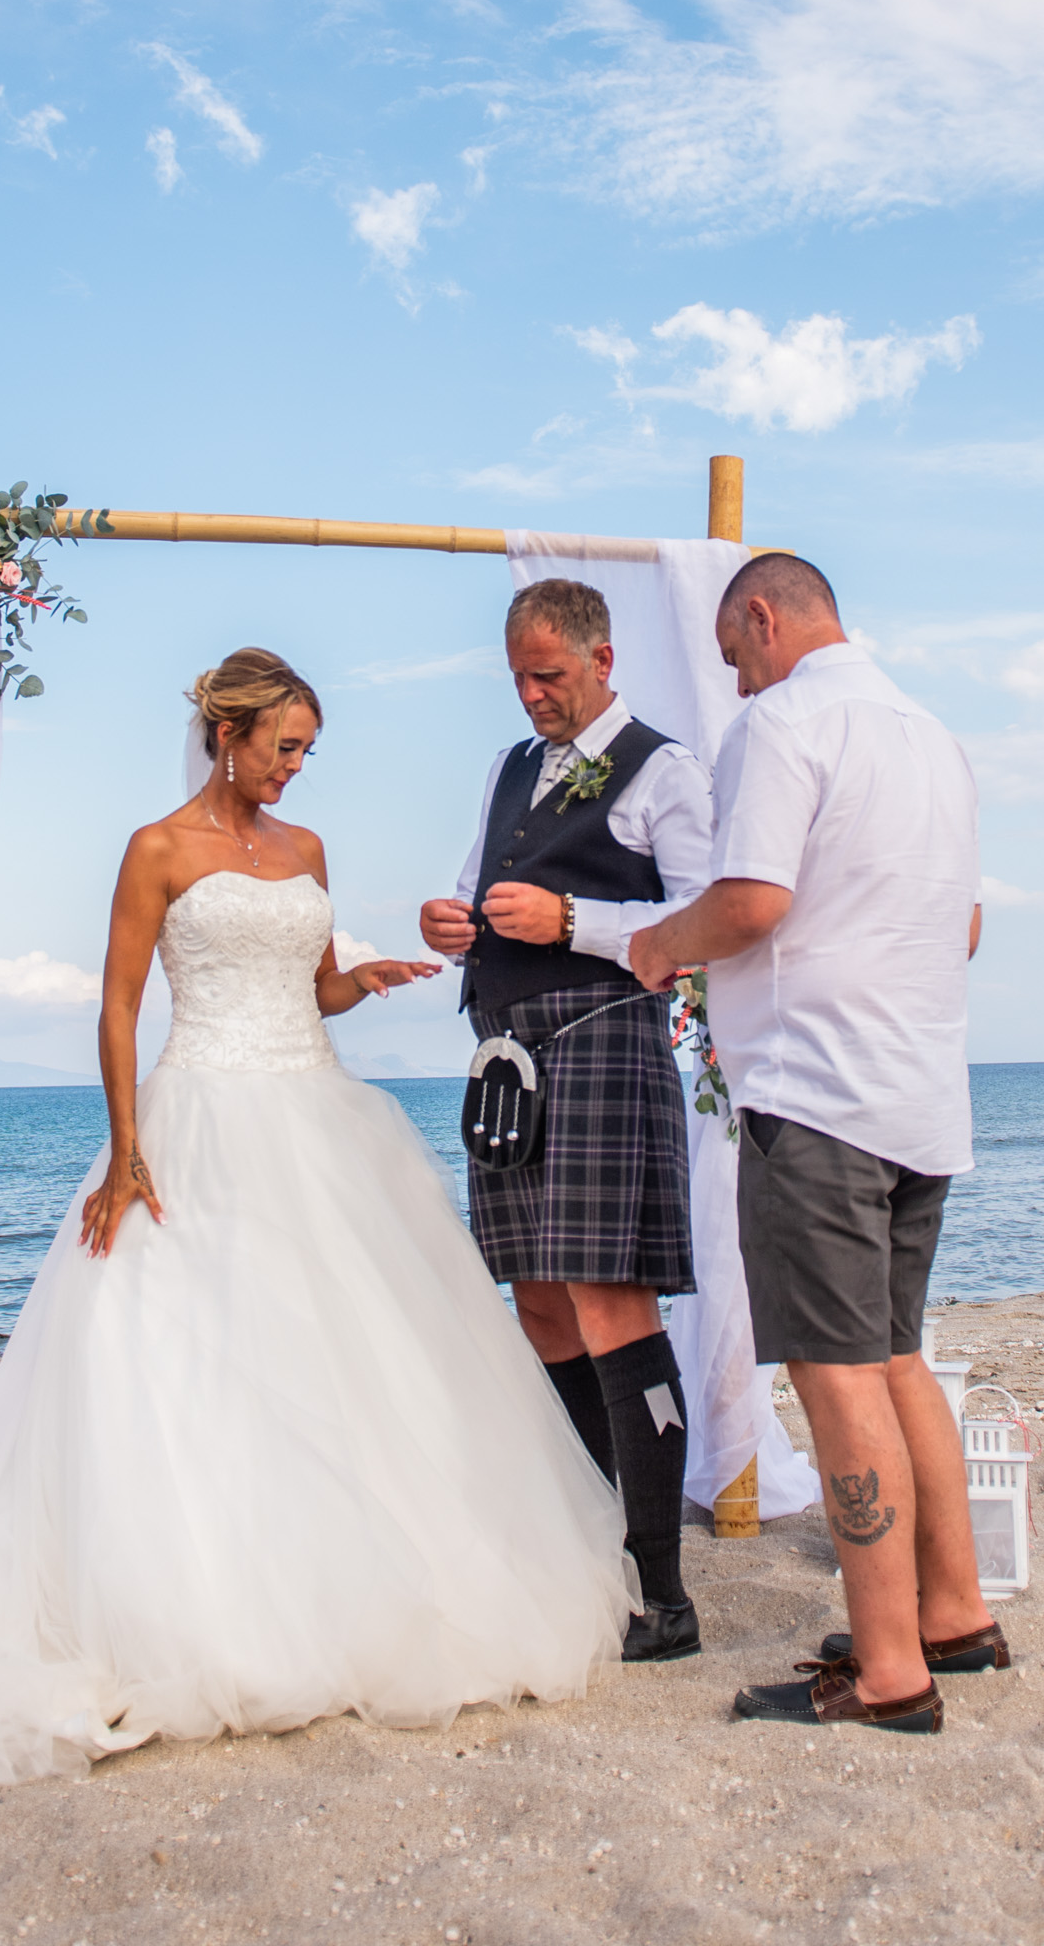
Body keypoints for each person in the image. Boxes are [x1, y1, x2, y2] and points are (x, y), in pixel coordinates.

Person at [0, 646, 638, 1793]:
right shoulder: (156, 848)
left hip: (316, 1111)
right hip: (198, 1108)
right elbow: (120, 999)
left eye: (308, 750)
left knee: (342, 1352)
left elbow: (311, 989)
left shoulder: (307, 850)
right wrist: (128, 1146)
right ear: (228, 737)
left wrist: (366, 975)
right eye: (283, 747)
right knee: (187, 1348)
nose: (297, 769)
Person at [630, 554, 1002, 1735]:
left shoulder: (786, 720)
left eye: (737, 656)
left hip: (817, 1099)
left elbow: (749, 900)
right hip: (921, 1099)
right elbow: (971, 924)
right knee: (897, 1358)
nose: (737, 681)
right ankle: (953, 1611)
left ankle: (891, 1668)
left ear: (761, 617)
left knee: (840, 1380)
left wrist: (659, 942)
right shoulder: (932, 735)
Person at [421, 580, 714, 1665]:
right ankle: (596, 1545)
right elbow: (478, 883)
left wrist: (572, 919)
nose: (534, 694)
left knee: (609, 1304)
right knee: (541, 1308)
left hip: (601, 1044)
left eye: (551, 674)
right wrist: (448, 920)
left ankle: (662, 1588)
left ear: (600, 656)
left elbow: (700, 920)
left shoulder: (664, 768)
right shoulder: (508, 767)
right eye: (520, 676)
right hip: (507, 1060)